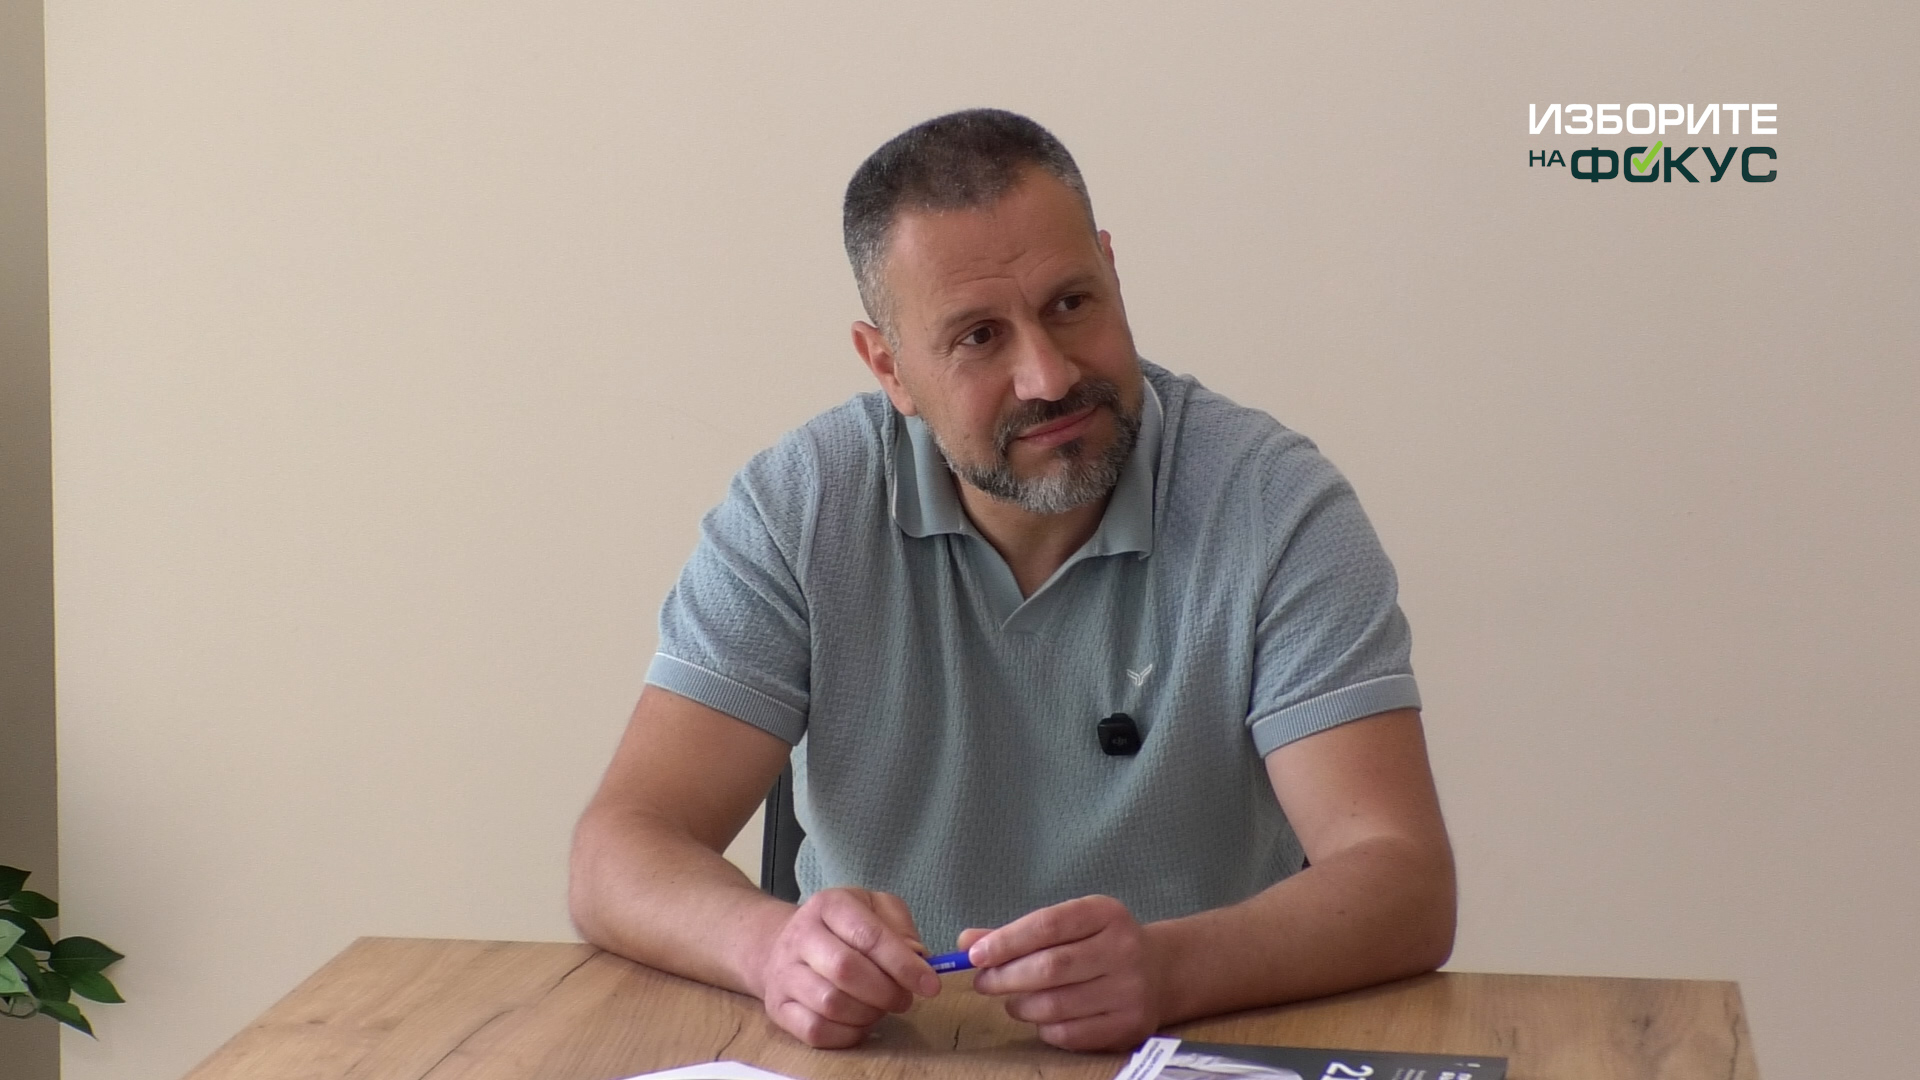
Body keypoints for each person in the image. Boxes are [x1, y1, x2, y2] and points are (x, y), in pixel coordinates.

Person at [569, 108, 1455, 1053]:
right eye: (979, 337)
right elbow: (620, 847)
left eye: (1071, 304)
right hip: (888, 1050)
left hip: (1192, 1042)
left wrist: (1172, 970)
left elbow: (1403, 879)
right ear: (889, 368)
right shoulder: (799, 509)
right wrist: (773, 948)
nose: (1048, 376)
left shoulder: (1276, 505)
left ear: (1113, 272)